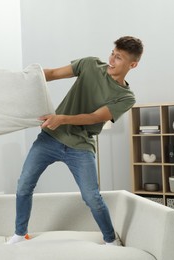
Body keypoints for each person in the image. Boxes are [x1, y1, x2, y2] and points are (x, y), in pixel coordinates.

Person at [7, 36, 143, 246]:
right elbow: (52, 74)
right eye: (113, 54)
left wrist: (62, 119)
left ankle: (110, 239)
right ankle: (19, 233)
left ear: (132, 64)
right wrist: (24, 78)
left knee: (91, 197)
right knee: (24, 184)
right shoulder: (90, 64)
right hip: (50, 138)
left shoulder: (126, 97)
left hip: (80, 146)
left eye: (119, 58)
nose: (112, 60)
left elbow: (96, 117)